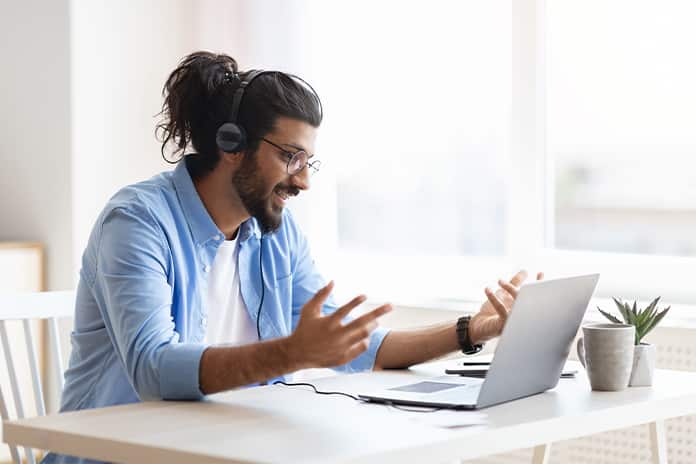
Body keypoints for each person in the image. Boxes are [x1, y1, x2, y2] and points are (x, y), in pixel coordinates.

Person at [42, 51, 541, 463]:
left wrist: (472, 331)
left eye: (307, 161)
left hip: (227, 451)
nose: (302, 180)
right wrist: (292, 353)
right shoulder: (137, 222)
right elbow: (154, 370)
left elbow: (357, 347)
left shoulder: (273, 230)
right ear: (231, 144)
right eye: (290, 157)